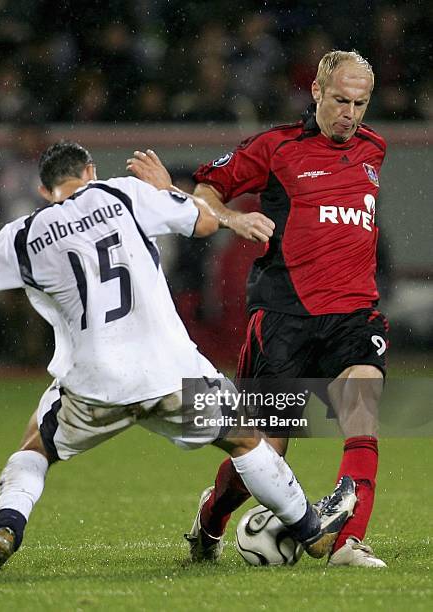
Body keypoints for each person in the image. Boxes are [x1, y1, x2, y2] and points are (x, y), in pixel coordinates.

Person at [0, 142, 355, 571]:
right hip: (168, 372)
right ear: (90, 171)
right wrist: (164, 190)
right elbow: (208, 223)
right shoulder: (123, 193)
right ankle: (310, 529)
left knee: (35, 449)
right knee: (246, 441)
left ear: (45, 192)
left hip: (95, 383)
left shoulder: (25, 234)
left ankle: (6, 529)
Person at [131, 51, 388, 568]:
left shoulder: (373, 150)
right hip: (283, 318)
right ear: (316, 91)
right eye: (341, 100)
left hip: (354, 315)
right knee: (266, 455)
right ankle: (212, 516)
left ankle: (347, 543)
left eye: (360, 104)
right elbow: (208, 192)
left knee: (364, 412)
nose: (350, 114)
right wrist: (230, 219)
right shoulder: (275, 147)